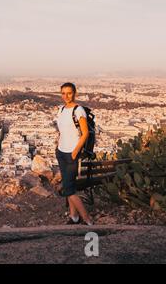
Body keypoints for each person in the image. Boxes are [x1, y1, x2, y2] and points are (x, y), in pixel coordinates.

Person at [55, 82, 94, 225]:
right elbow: (62, 130)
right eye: (63, 93)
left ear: (74, 93)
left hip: (71, 153)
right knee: (68, 185)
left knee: (68, 189)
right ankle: (74, 216)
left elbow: (85, 134)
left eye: (69, 93)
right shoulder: (61, 110)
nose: (66, 96)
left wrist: (75, 151)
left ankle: (87, 219)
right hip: (61, 151)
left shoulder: (79, 111)